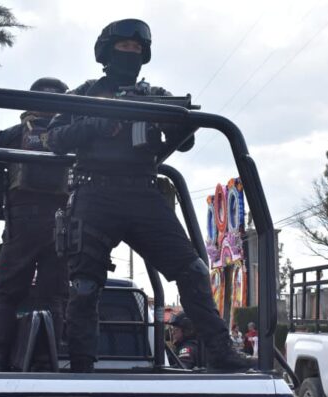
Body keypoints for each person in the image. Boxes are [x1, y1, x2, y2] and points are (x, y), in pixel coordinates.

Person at [47, 18, 253, 373]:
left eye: (137, 50)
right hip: (93, 192)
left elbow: (185, 141)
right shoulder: (82, 95)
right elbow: (52, 139)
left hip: (142, 193)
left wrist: (173, 120)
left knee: (192, 269)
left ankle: (220, 351)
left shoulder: (154, 96)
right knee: (83, 286)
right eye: (124, 48)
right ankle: (81, 365)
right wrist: (95, 123)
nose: (130, 54)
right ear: (106, 53)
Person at [0, 77, 71, 371]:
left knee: (7, 293)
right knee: (54, 295)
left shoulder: (9, 136)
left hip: (21, 222)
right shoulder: (73, 138)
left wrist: (7, 207)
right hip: (63, 224)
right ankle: (48, 361)